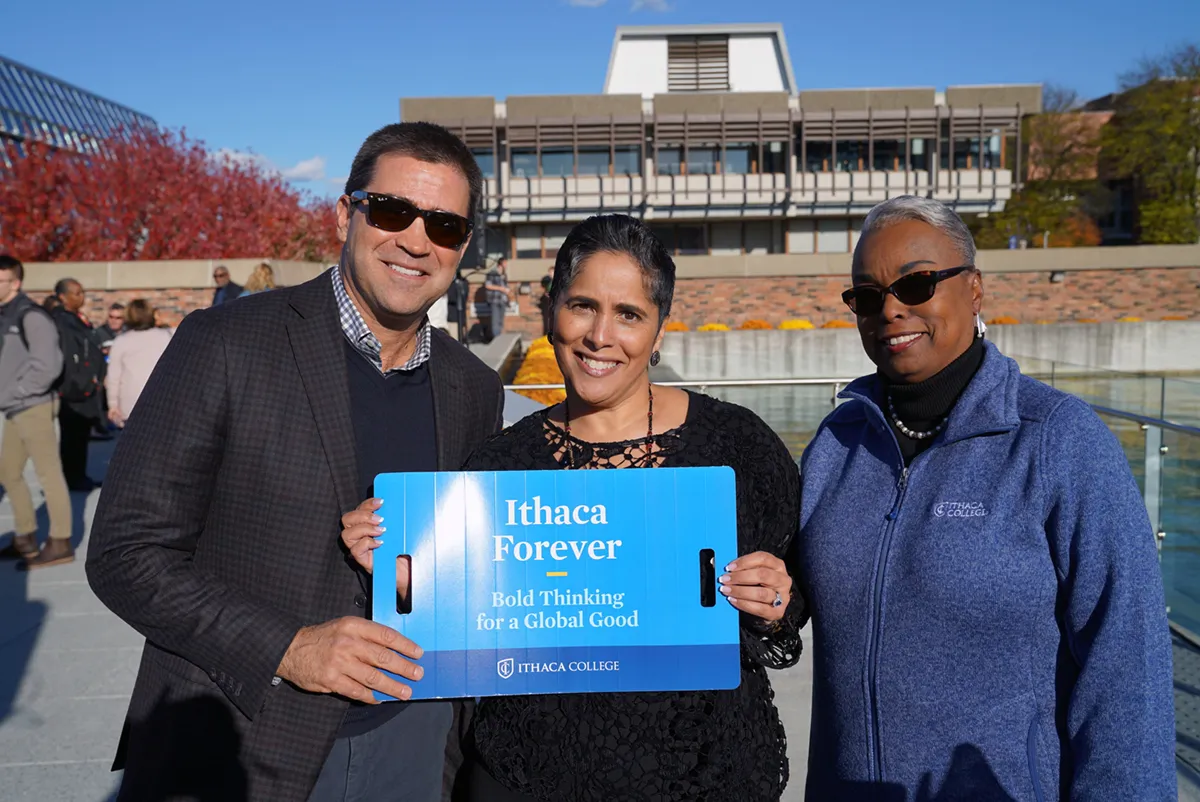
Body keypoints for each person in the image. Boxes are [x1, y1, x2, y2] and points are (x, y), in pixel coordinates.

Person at [86, 121, 503, 802]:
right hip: (243, 736)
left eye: (446, 226)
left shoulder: (471, 388)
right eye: (394, 211)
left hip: (415, 743)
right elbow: (125, 551)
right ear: (346, 212)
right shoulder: (226, 343)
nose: (417, 241)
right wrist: (289, 647)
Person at [343, 214, 804, 802]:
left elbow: (798, 593)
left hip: (702, 777)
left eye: (629, 314)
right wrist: (397, 570)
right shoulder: (499, 467)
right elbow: (458, 623)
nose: (599, 335)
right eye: (582, 305)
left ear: (659, 331)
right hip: (527, 777)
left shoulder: (738, 449)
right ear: (551, 310)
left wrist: (775, 600)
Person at [797, 196, 1175, 800]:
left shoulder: (1057, 440)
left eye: (916, 284)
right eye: (867, 296)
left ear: (973, 289)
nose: (891, 309)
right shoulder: (837, 445)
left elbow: (1127, 669)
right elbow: (795, 599)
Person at [0, 255, 74, 569]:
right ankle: (25, 538)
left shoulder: (30, 315)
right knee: (8, 473)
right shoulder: (6, 315)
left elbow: (48, 364)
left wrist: (15, 391)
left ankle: (60, 542)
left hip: (34, 407)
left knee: (49, 474)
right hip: (15, 409)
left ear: (15, 283)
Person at [51, 278, 106, 492]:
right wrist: (78, 381)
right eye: (76, 293)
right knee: (72, 436)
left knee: (81, 436)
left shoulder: (77, 319)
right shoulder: (61, 321)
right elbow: (67, 355)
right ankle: (72, 477)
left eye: (82, 292)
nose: (81, 297)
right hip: (73, 389)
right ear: (62, 296)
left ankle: (78, 474)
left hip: (86, 389)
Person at [104, 300, 172, 428]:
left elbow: (114, 377)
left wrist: (113, 404)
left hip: (130, 404)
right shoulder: (166, 337)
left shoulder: (121, 342)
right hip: (162, 402)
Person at [484, 256, 513, 341]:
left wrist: (508, 296)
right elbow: (488, 285)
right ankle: (496, 339)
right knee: (495, 321)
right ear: (501, 263)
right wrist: (502, 289)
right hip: (494, 300)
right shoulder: (492, 273)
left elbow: (505, 287)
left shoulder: (504, 275)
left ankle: (499, 338)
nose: (506, 265)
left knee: (500, 321)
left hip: (503, 300)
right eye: (505, 263)